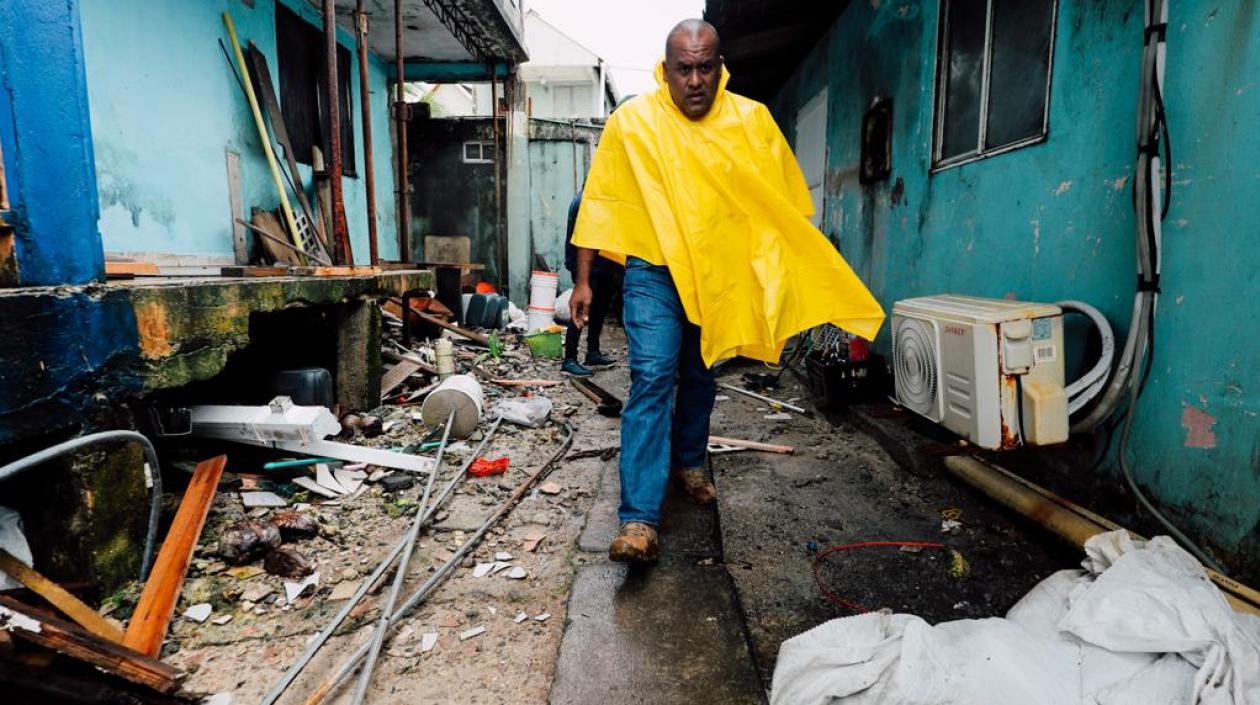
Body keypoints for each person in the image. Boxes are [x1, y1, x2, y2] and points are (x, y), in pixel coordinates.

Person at [569, 19, 885, 563]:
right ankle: (639, 518)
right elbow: (602, 203)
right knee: (651, 378)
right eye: (683, 68)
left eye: (705, 67)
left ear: (720, 67)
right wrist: (582, 281)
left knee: (700, 373)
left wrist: (783, 276)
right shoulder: (634, 123)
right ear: (665, 70)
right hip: (654, 274)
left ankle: (689, 461)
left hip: (720, 273)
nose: (695, 80)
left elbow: (781, 210)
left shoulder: (751, 121)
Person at [560, 192, 617, 377]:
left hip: (599, 265)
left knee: (599, 308)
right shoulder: (584, 201)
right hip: (585, 265)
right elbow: (583, 239)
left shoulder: (589, 197)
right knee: (581, 309)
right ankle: (569, 359)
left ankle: (593, 352)